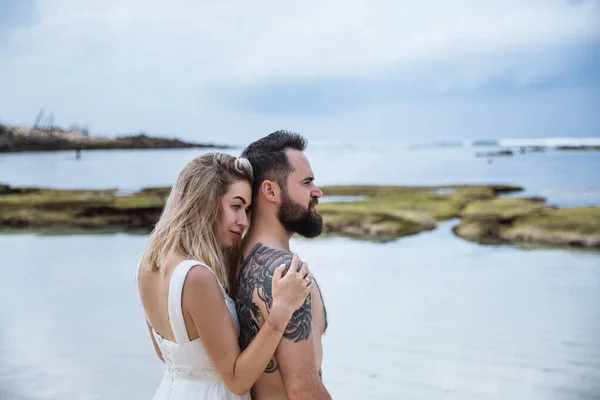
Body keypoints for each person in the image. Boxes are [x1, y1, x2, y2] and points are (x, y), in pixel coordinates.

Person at [136, 152, 314, 399]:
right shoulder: (196, 277)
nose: (243, 221)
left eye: (248, 209)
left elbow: (164, 352)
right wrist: (282, 309)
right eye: (236, 206)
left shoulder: (148, 265)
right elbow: (236, 381)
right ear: (204, 202)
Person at [234, 131, 332, 399]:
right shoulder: (288, 274)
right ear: (270, 190)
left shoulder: (235, 257)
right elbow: (303, 389)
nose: (317, 192)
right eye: (306, 182)